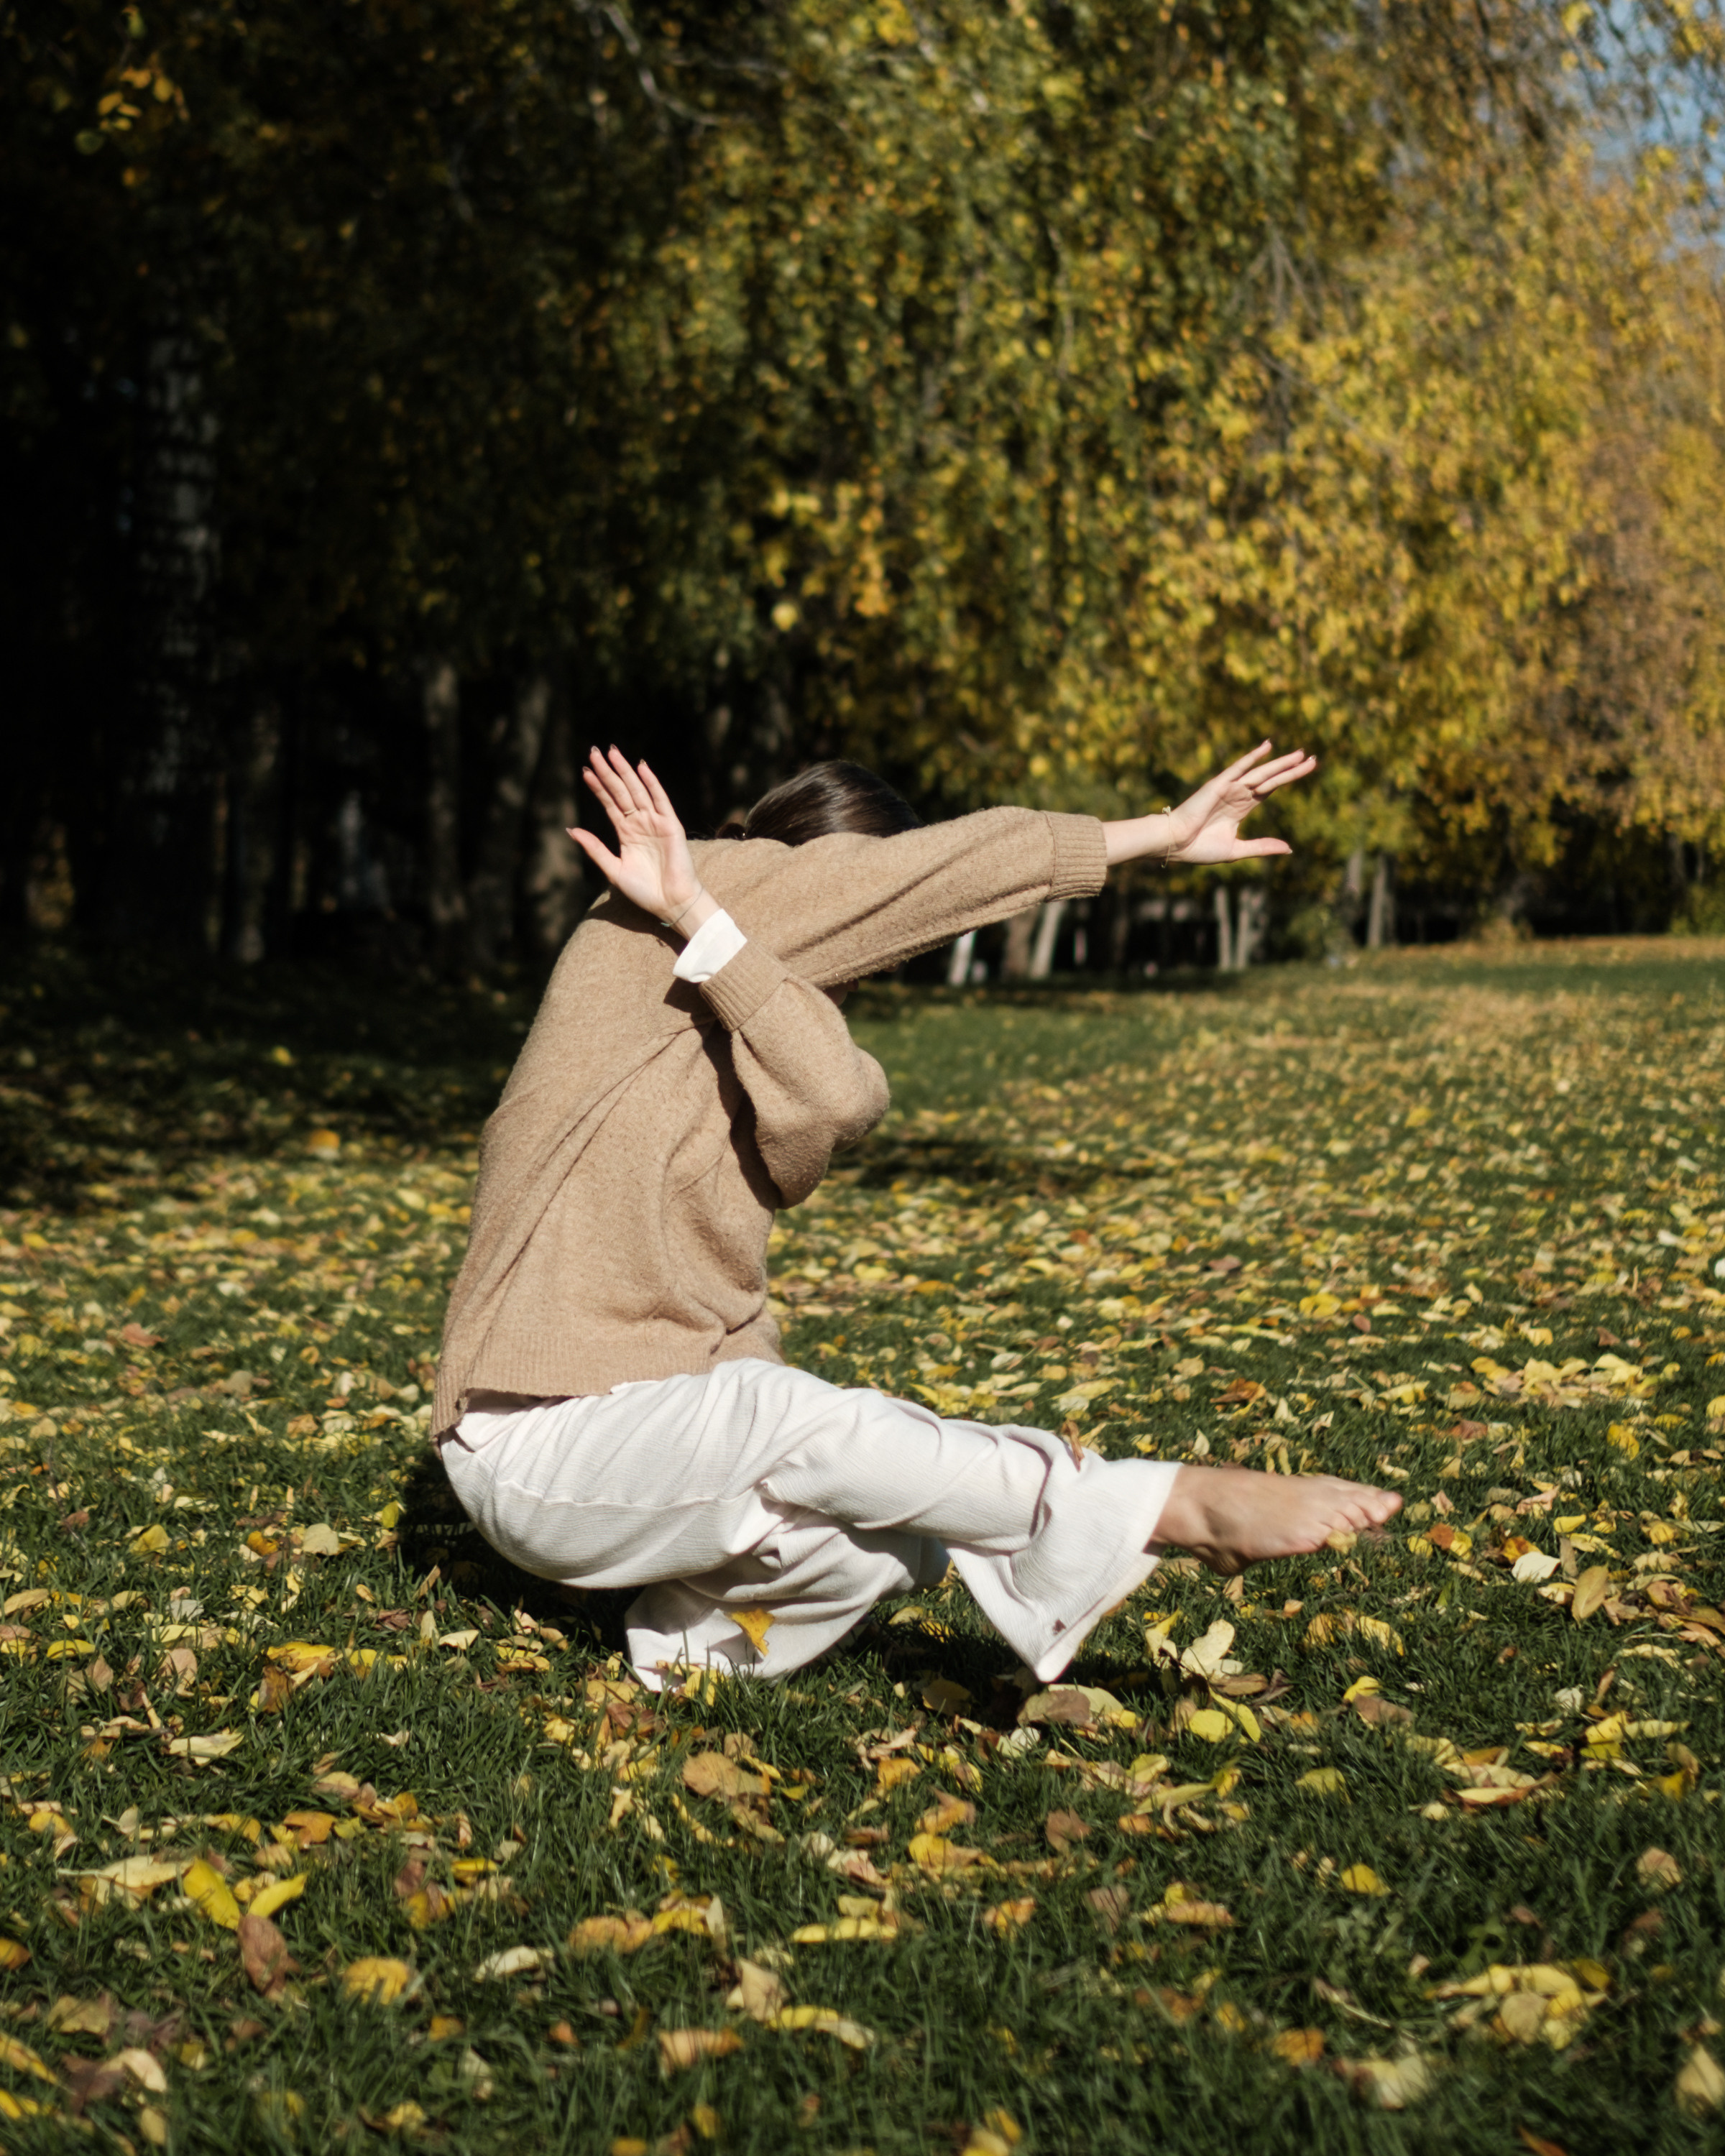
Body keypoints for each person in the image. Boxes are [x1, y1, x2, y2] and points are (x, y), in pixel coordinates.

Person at [433, 742, 1399, 1688]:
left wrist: (714, 933)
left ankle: (689, 1657)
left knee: (884, 1541)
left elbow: (838, 1097)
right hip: (530, 1437)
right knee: (794, 1420)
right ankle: (1155, 1504)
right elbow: (940, 875)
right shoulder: (672, 907)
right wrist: (1153, 835)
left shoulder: (725, 961)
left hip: (659, 1437)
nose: (869, 971)